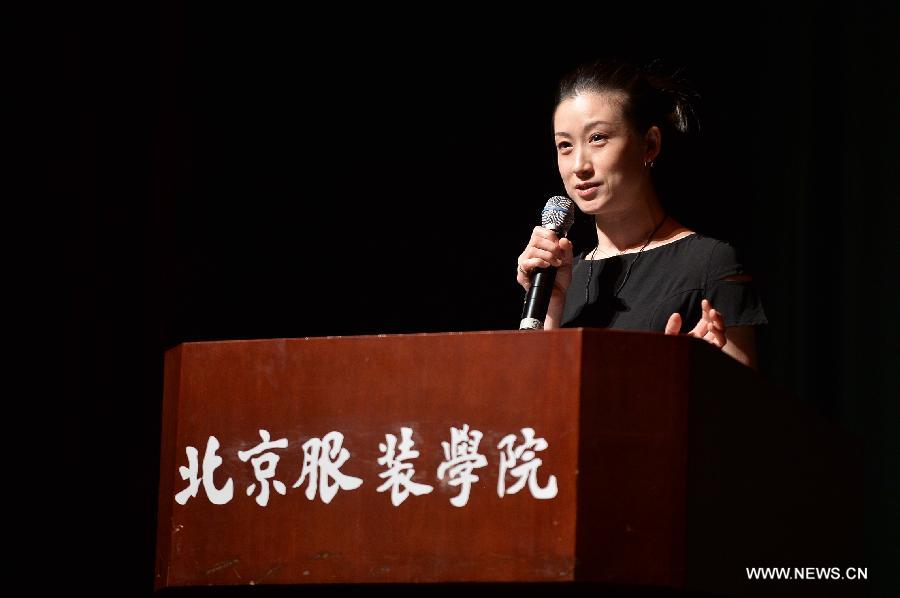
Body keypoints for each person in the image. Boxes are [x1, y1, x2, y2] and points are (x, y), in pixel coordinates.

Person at [516, 59, 767, 369]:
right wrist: (552, 305)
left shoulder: (709, 264)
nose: (579, 164)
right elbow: (534, 404)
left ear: (649, 144)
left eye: (598, 138)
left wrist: (703, 373)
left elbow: (746, 409)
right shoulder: (561, 278)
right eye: (565, 145)